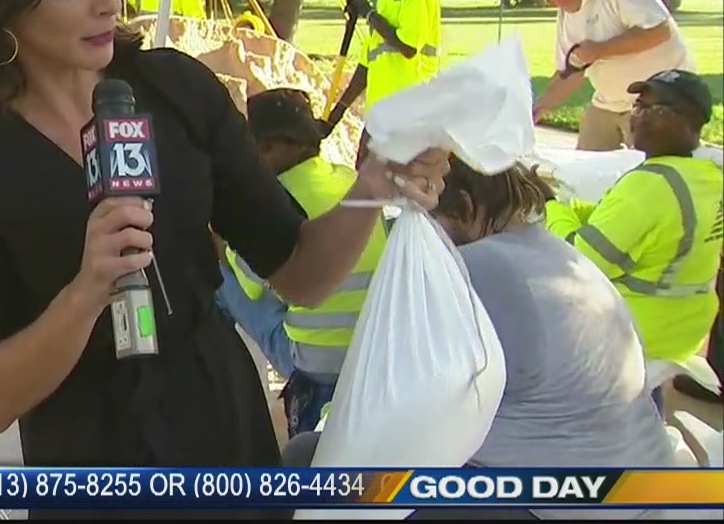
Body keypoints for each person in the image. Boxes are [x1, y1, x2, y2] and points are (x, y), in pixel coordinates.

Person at [0, 0, 448, 520]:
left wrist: (375, 184)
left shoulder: (172, 89)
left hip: (222, 431)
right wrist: (85, 291)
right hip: (92, 465)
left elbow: (302, 273)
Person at [284, 160, 676, 521]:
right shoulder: (555, 255)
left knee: (310, 462)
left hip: (562, 507)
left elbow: (404, 412)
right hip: (637, 487)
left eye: (410, 219)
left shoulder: (480, 271)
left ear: (467, 209)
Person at [543, 69, 722, 412]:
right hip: (683, 327)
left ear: (686, 121)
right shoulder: (705, 176)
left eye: (650, 109)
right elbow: (620, 221)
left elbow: (578, 263)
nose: (635, 117)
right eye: (637, 106)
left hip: (633, 332)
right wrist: (573, 207)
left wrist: (550, 206)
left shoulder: (651, 184)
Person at [215, 88, 386, 438]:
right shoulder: (349, 181)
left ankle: (234, 406)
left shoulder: (271, 202)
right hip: (372, 352)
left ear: (269, 149)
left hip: (314, 362)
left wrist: (217, 235)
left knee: (219, 276)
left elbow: (252, 286)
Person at [323, 0, 459, 160]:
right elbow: (367, 65)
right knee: (366, 191)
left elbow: (407, 46)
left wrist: (368, 13)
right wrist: (334, 117)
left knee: (387, 193)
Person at [530, 0, 696, 152]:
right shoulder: (568, 14)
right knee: (584, 168)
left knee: (649, 172)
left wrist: (600, 50)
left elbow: (660, 32)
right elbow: (572, 69)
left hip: (658, 101)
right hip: (608, 102)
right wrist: (538, 109)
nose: (548, 3)